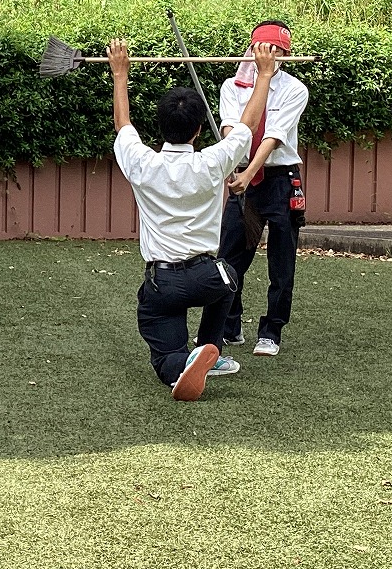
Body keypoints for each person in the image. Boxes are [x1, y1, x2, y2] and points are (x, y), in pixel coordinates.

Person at [109, 37, 276, 401]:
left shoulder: (142, 162)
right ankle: (208, 349)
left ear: (159, 127)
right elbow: (246, 127)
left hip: (163, 284)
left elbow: (123, 125)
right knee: (230, 277)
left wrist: (120, 74)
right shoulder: (212, 163)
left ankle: (182, 364)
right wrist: (263, 74)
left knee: (167, 360)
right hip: (207, 277)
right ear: (200, 130)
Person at [217, 21, 309, 357]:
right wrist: (234, 167)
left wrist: (249, 171)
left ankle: (271, 331)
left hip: (279, 179)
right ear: (252, 49)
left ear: (286, 54)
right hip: (242, 178)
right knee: (228, 257)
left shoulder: (295, 89)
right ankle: (230, 322)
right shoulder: (232, 85)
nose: (269, 55)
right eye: (263, 48)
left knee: (281, 261)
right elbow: (232, 130)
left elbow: (273, 137)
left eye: (277, 51)